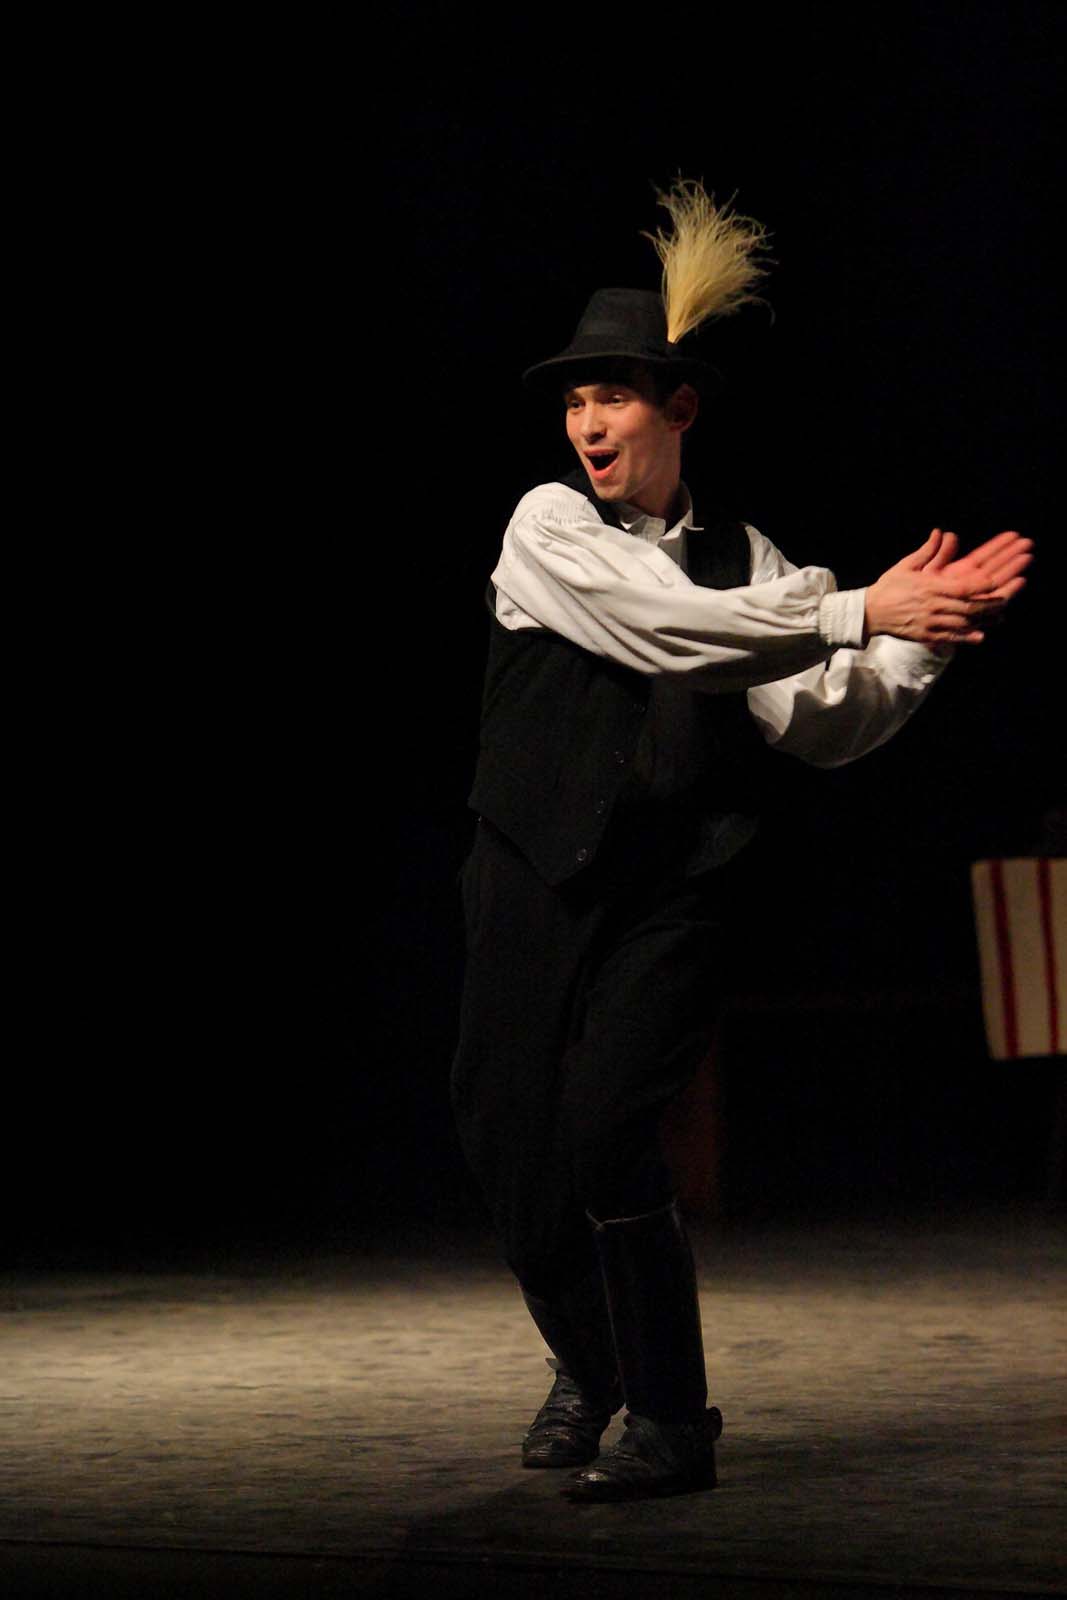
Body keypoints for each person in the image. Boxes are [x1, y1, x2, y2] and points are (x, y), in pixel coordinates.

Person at [450, 181, 1031, 1502]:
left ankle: (670, 1419)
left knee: (608, 1125)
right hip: (530, 867)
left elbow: (824, 717)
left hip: (674, 887)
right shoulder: (547, 526)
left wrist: (919, 637)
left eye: (613, 397)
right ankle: (593, 1362)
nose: (587, 423)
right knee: (506, 1136)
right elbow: (664, 628)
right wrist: (855, 607)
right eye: (574, 401)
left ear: (680, 410)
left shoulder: (751, 561)